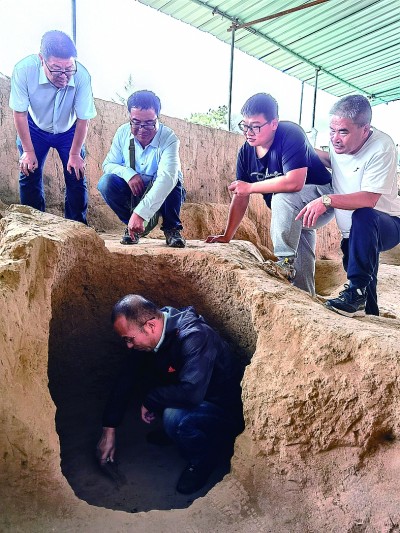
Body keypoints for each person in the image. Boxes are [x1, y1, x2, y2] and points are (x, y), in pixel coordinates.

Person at [96, 294, 244, 495]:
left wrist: (152, 400)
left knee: (174, 418)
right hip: (198, 397)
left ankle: (202, 461)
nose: (128, 346)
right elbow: (126, 376)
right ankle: (175, 432)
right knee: (155, 381)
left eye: (129, 340)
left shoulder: (195, 336)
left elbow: (191, 394)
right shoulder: (156, 328)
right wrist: (109, 427)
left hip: (225, 409)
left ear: (150, 326)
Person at [206, 93, 334, 295]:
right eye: (245, 125)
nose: (249, 132)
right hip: (296, 212)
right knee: (300, 248)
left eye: (256, 126)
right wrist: (227, 236)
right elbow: (241, 194)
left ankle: (283, 262)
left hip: (322, 198)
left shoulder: (291, 133)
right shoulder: (246, 153)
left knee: (282, 197)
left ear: (273, 123)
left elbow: (294, 182)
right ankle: (305, 300)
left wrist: (250, 187)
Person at [296, 94, 400, 318]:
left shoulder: (382, 147)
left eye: (343, 131)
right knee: (363, 284)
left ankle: (357, 291)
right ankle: (368, 311)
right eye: (332, 130)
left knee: (364, 216)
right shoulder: (339, 145)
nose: (335, 138)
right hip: (352, 234)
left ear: (365, 129)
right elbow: (331, 160)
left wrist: (326, 200)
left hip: (387, 223)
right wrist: (296, 145)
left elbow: (369, 199)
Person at [9, 30, 96, 224]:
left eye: (69, 68)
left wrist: (74, 155)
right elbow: (20, 113)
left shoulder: (81, 75)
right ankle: (33, 226)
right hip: (34, 127)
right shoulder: (23, 70)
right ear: (42, 59)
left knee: (76, 174)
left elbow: (83, 119)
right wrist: (28, 151)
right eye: (57, 69)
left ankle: (76, 227)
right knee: (29, 171)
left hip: (70, 130)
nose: (64, 75)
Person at [97, 90, 186, 248]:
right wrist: (128, 174)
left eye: (149, 123)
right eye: (136, 122)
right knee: (106, 182)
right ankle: (132, 228)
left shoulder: (169, 138)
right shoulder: (122, 133)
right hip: (135, 191)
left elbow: (167, 178)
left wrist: (141, 213)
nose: (142, 129)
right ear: (129, 117)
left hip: (163, 191)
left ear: (157, 118)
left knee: (174, 179)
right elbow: (108, 165)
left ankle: (172, 229)